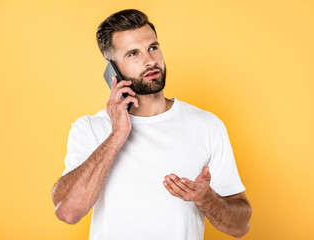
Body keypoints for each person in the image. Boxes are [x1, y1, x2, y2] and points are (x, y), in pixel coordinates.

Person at [51, 9, 252, 240]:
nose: (150, 61)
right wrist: (117, 134)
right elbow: (67, 211)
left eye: (153, 48)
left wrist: (206, 198)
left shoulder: (207, 125)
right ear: (112, 67)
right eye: (133, 54)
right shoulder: (89, 129)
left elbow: (240, 227)